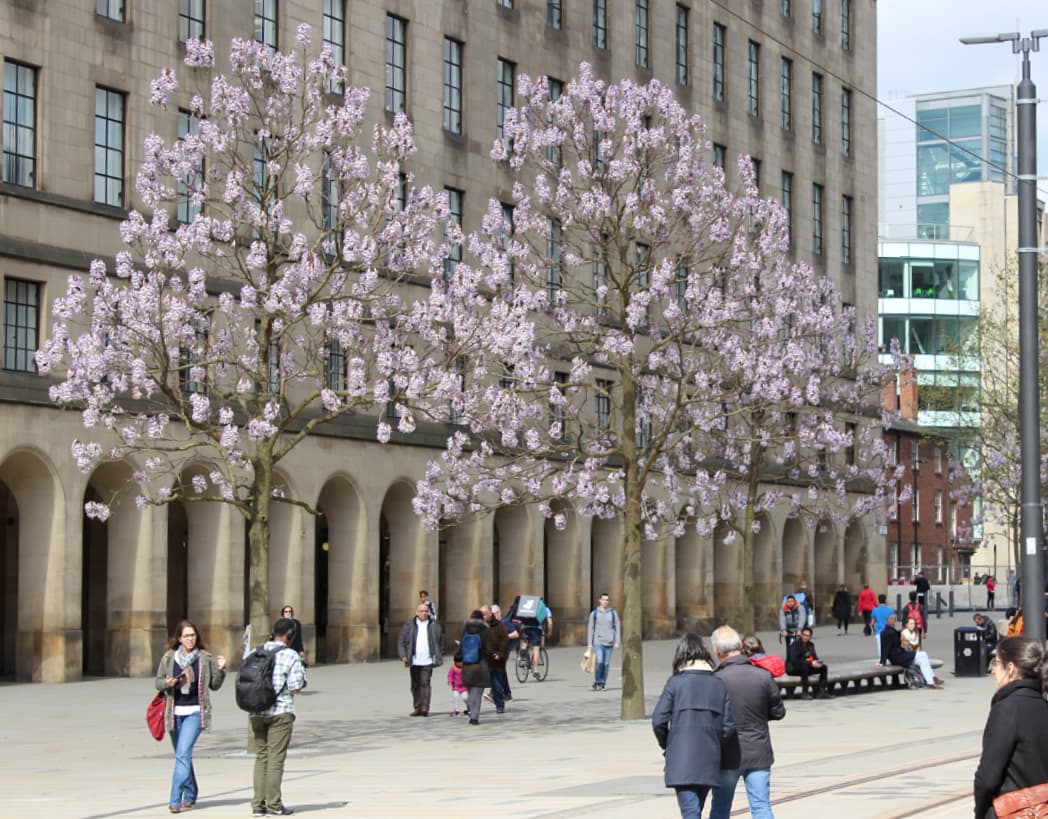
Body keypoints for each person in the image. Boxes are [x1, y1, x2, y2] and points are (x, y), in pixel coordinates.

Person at [652, 633, 737, 818]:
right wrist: (715, 743)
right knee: (695, 809)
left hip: (681, 758)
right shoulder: (718, 684)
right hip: (710, 757)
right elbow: (728, 726)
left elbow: (658, 720)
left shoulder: (675, 682)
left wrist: (668, 743)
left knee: (690, 811)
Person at [710, 626, 785, 819]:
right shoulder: (762, 676)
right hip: (758, 751)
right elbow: (778, 712)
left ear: (717, 652)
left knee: (720, 808)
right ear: (741, 646)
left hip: (727, 755)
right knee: (761, 807)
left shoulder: (715, 680)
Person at [155, 620, 227, 814]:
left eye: (193, 635)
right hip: (174, 713)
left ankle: (174, 799)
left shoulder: (204, 658)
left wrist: (220, 669)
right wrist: (167, 683)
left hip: (195, 712)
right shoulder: (169, 658)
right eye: (186, 636)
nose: (190, 639)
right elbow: (158, 682)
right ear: (179, 638)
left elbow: (214, 685)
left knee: (182, 755)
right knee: (183, 755)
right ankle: (191, 791)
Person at [973, 636, 1048, 818]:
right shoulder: (1043, 706)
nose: (993, 671)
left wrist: (981, 812)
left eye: (997, 663)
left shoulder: (1006, 710)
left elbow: (987, 778)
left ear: (1011, 668)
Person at [248, 617, 307, 817]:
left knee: (261, 756)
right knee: (276, 758)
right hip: (280, 712)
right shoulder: (290, 655)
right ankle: (274, 804)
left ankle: (257, 804)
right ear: (290, 636)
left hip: (256, 711)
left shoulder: (256, 651)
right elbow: (295, 686)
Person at [397, 601, 444, 717]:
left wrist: (439, 654)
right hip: (413, 659)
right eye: (421, 611)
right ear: (416, 613)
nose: (424, 613)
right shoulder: (409, 624)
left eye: (426, 611)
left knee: (425, 683)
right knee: (415, 685)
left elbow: (440, 640)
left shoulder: (434, 624)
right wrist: (403, 655)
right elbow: (401, 640)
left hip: (428, 659)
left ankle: (425, 708)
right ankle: (417, 707)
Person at [876, 613, 942, 688]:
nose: (893, 621)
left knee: (923, 660)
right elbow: (885, 648)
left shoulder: (892, 632)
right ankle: (931, 680)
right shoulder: (887, 633)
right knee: (923, 654)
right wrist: (882, 662)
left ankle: (931, 681)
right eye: (891, 619)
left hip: (901, 656)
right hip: (898, 658)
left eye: (894, 619)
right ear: (887, 621)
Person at [459, 609, 491, 725]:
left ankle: (471, 710)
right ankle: (474, 716)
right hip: (481, 665)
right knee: (477, 692)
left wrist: (458, 658)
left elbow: (461, 646)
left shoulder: (465, 629)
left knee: (470, 690)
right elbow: (489, 648)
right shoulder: (485, 630)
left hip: (467, 665)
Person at [587, 592, 621, 691]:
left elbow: (617, 627)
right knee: (599, 662)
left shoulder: (613, 613)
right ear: (600, 600)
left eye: (607, 600)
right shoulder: (594, 614)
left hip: (609, 643)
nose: (605, 602)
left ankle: (602, 683)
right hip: (598, 642)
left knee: (606, 664)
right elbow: (591, 629)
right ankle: (597, 681)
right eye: (604, 600)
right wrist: (589, 643)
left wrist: (617, 642)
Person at [786, 627, 832, 699]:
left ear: (810, 637)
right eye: (804, 635)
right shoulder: (795, 645)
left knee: (823, 667)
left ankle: (821, 691)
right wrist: (810, 664)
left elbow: (814, 657)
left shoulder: (811, 645)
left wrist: (817, 662)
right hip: (793, 668)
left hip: (807, 666)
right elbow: (795, 661)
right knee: (804, 667)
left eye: (808, 636)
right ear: (801, 635)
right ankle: (804, 692)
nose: (805, 637)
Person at [480, 604, 509, 713]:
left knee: (496, 683)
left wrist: (500, 654)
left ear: (489, 614)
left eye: (483, 614)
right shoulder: (478, 626)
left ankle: (499, 704)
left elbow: (505, 641)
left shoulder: (499, 626)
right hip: (481, 659)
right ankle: (473, 707)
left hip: (495, 659)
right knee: (477, 684)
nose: (482, 617)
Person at [493, 603, 517, 701]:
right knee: (501, 672)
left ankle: (494, 693)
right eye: (492, 613)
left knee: (497, 670)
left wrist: (505, 637)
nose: (493, 615)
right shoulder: (491, 624)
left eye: (495, 613)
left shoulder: (505, 622)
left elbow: (515, 634)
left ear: (499, 613)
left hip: (503, 650)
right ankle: (507, 693)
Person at [869, 594, 895, 659]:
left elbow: (872, 623)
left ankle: (882, 661)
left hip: (879, 632)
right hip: (888, 632)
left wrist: (874, 630)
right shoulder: (890, 610)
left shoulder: (875, 610)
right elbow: (892, 622)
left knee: (880, 650)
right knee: (889, 647)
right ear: (885, 601)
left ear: (878, 601)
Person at [447, 651, 467, 716]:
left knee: (465, 698)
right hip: (456, 687)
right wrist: (450, 681)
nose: (459, 664)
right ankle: (456, 709)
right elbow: (450, 675)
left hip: (465, 687)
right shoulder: (453, 668)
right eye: (458, 662)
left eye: (461, 662)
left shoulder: (465, 667)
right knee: (456, 697)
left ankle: (470, 707)